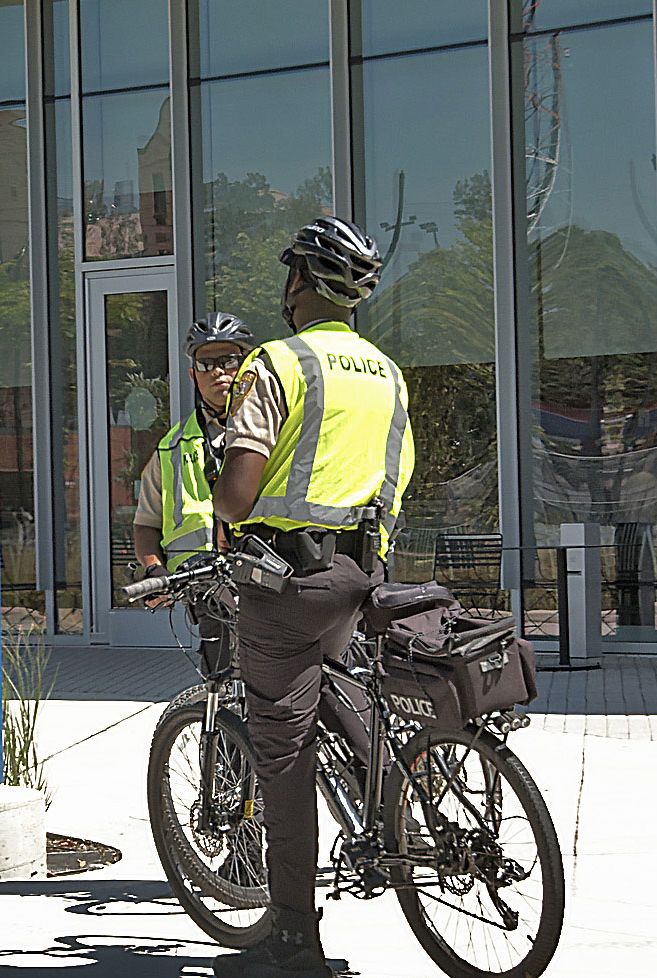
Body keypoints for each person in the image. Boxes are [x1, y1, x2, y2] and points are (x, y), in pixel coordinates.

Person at [210, 217, 414, 978]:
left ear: (299, 282)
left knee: (281, 749)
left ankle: (294, 934)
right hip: (365, 576)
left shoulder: (278, 364)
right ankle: (397, 810)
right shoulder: (387, 373)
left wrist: (219, 474)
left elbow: (235, 498)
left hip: (289, 582)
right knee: (333, 685)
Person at [132, 312, 255, 672]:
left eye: (229, 361)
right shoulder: (171, 447)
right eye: (206, 363)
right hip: (207, 594)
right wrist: (154, 569)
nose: (218, 371)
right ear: (193, 375)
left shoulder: (277, 433)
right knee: (220, 694)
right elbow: (146, 524)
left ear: (246, 367)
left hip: (270, 590)